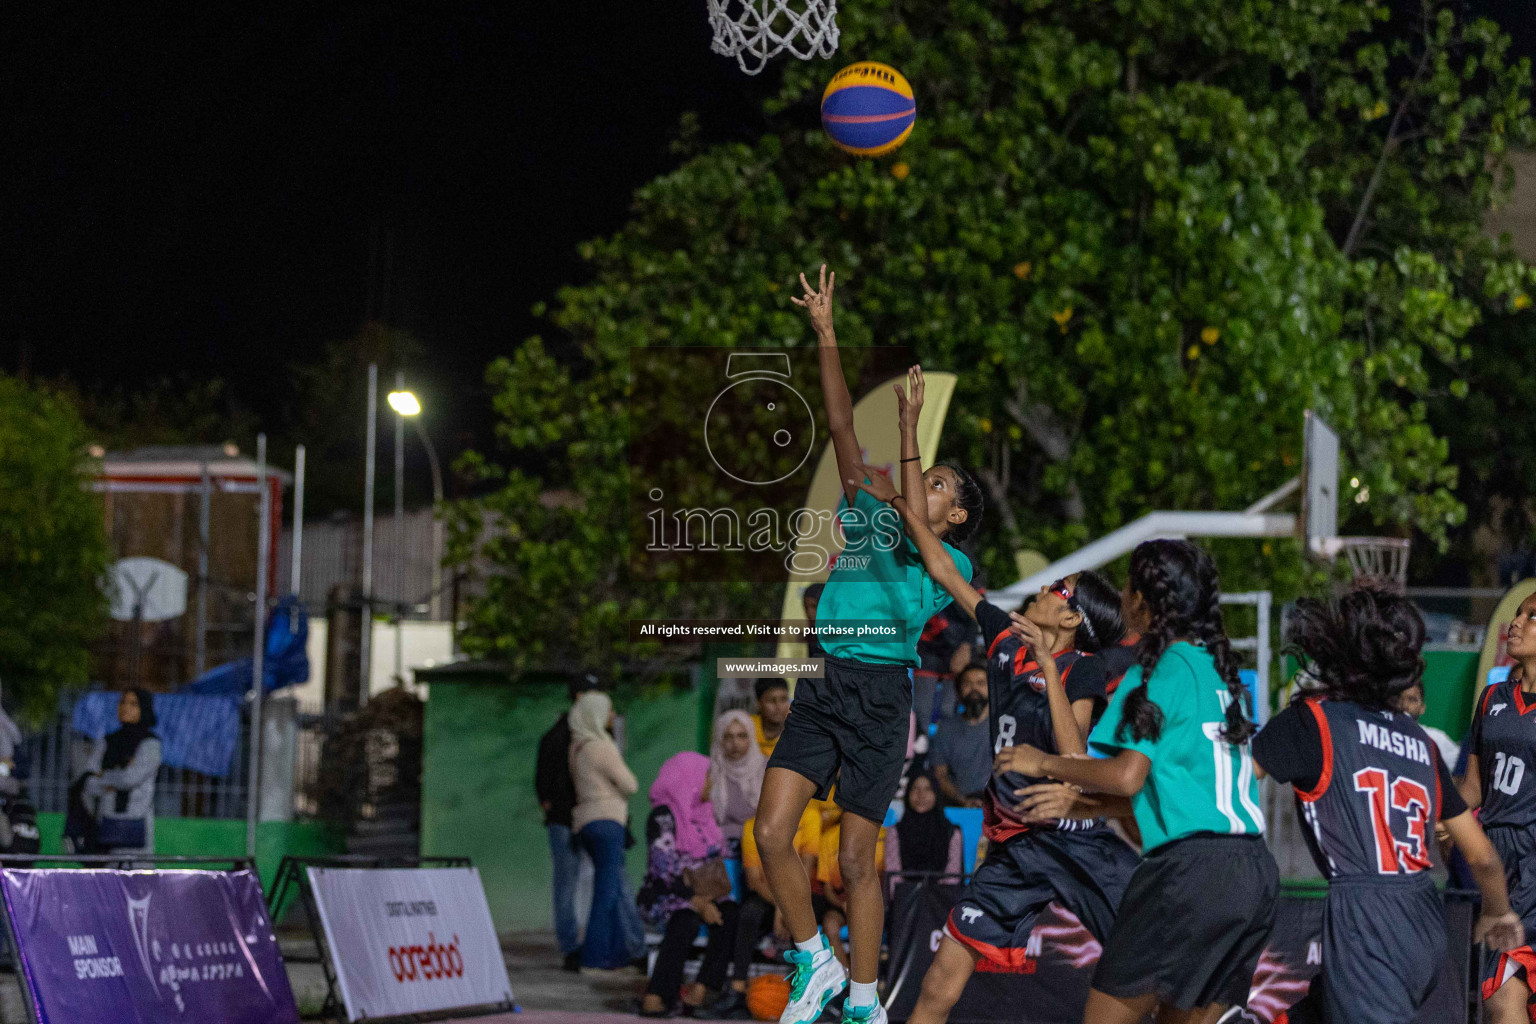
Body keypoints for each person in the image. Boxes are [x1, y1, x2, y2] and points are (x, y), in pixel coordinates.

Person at [756, 276, 981, 1024]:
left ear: (958, 514)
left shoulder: (951, 568)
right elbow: (842, 420)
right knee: (770, 833)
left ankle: (862, 1002)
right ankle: (814, 964)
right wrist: (826, 333)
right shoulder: (866, 510)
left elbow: (915, 516)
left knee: (857, 861)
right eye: (930, 475)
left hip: (884, 697)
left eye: (943, 484)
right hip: (826, 685)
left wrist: (914, 432)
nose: (927, 483)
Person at [862, 457, 1133, 1024]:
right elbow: (943, 570)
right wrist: (897, 503)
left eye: (1061, 588)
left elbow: (1073, 756)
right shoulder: (1003, 635)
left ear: (1071, 619)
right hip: (1015, 846)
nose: (1046, 586)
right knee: (941, 976)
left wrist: (1044, 662)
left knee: (1147, 968)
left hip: (1076, 839)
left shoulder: (1080, 667)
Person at [995, 539, 1276, 1024]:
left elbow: (1126, 776)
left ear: (1142, 599)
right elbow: (1184, 795)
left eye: (1127, 584)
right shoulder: (1218, 671)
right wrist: (1084, 808)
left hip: (1189, 875)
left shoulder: (1161, 667)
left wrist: (1044, 763)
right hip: (1252, 874)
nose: (1122, 592)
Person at [1250, 587, 1521, 1024]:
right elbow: (1482, 856)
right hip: (1424, 914)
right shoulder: (1419, 741)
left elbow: (1232, 785)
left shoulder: (1315, 719)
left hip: (1365, 914)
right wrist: (1497, 911)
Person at [1457, 590, 1536, 1024]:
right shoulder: (1491, 699)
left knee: (1505, 1001)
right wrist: (1437, 812)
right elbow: (1473, 790)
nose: (1518, 622)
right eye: (1518, 613)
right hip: (1502, 868)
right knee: (1502, 1001)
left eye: (1532, 615)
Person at [638, 752, 740, 1017]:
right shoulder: (663, 817)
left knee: (729, 915)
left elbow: (721, 856)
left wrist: (706, 900)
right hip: (666, 895)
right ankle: (657, 995)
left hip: (704, 893)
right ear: (689, 780)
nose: (710, 785)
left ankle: (700, 992)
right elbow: (663, 874)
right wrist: (696, 901)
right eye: (707, 778)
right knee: (686, 921)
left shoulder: (706, 814)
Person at [718, 804, 824, 1019]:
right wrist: (781, 908)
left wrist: (788, 909)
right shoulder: (752, 826)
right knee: (748, 913)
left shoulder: (810, 817)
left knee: (803, 920)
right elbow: (755, 881)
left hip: (804, 893)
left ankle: (805, 998)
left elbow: (805, 871)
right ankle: (737, 989)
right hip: (769, 897)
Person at [570, 690, 640, 970]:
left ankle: (618, 951)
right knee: (607, 893)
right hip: (608, 822)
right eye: (608, 710)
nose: (612, 716)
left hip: (585, 822)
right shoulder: (602, 746)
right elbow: (630, 784)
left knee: (609, 889)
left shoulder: (577, 747)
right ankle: (596, 955)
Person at [537, 675, 600, 971]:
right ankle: (571, 948)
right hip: (568, 822)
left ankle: (588, 945)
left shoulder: (591, 736)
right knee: (568, 884)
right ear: (579, 698)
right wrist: (560, 810)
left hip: (586, 819)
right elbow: (543, 786)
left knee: (593, 882)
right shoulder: (561, 736)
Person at [82, 689, 162, 855]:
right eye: (123, 702)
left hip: (136, 831)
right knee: (106, 879)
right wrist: (115, 779)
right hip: (104, 829)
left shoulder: (150, 744)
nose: (125, 707)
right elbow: (89, 782)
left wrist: (104, 776)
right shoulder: (107, 742)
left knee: (140, 880)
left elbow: (130, 779)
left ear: (144, 709)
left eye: (133, 704)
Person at [930, 664, 991, 807]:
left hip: (1001, 806)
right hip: (959, 806)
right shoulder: (946, 728)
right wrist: (963, 800)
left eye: (981, 683)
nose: (974, 688)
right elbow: (940, 775)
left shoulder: (1004, 725)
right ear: (958, 691)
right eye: (967, 683)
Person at [711, 710, 768, 851]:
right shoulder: (712, 771)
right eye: (728, 737)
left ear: (751, 736)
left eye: (742, 736)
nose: (735, 743)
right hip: (724, 847)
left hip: (761, 846)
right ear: (720, 740)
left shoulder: (767, 768)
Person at [884, 773, 961, 877]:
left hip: (942, 892)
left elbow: (952, 877)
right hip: (903, 892)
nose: (921, 795)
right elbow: (893, 877)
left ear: (936, 794)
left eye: (928, 789)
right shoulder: (895, 832)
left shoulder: (952, 833)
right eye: (915, 789)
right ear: (907, 794)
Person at [753, 678, 792, 759]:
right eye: (771, 701)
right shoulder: (746, 727)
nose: (778, 706)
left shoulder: (797, 731)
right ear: (758, 703)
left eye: (783, 700)